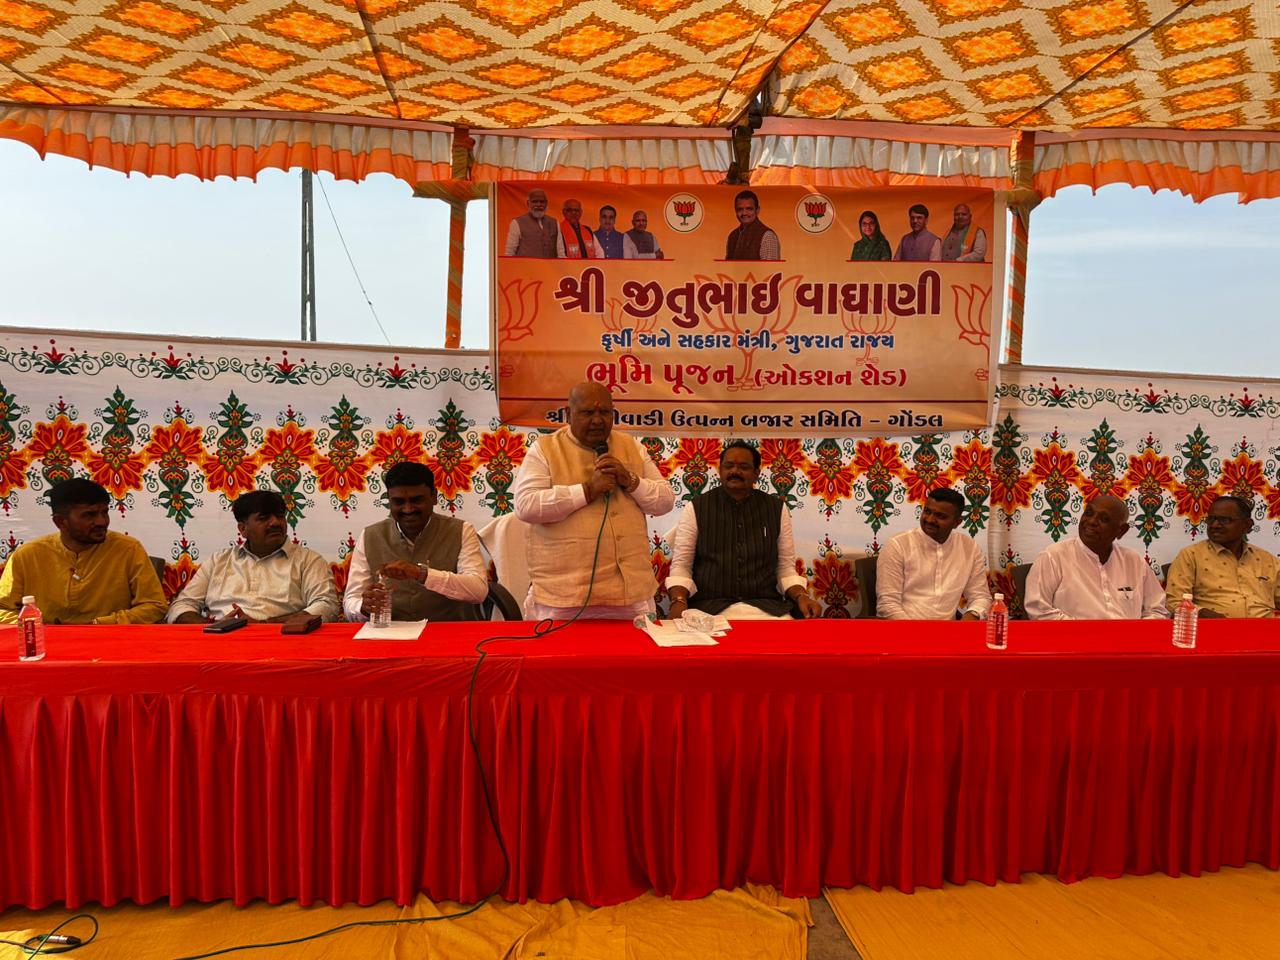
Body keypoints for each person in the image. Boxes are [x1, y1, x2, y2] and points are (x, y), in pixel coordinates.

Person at [514, 381, 675, 619]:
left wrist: (630, 480)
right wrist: (586, 491)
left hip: (630, 595)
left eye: (605, 412)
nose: (598, 420)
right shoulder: (544, 449)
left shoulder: (632, 446)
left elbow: (665, 502)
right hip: (565, 597)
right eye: (588, 412)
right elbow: (526, 506)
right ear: (568, 414)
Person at [665, 440, 819, 620]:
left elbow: (785, 568)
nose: (735, 472)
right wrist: (678, 601)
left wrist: (802, 596)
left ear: (756, 474)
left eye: (743, 467)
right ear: (720, 470)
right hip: (708, 609)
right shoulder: (696, 507)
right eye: (728, 466)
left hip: (767, 609)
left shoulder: (776, 508)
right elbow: (681, 565)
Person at [0, 477, 166, 624]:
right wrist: (39, 626)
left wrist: (100, 623)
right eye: (89, 515)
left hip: (110, 640)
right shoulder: (27, 556)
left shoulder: (128, 549)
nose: (101, 522)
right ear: (60, 522)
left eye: (104, 512)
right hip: (46, 642)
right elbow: (3, 610)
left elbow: (154, 606)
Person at [342, 461, 488, 622]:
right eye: (399, 502)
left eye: (416, 500)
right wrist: (363, 607)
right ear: (389, 501)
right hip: (391, 633)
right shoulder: (370, 536)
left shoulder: (461, 531)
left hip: (448, 630)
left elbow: (479, 591)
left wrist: (422, 574)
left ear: (434, 497)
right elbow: (351, 601)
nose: (408, 509)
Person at [166, 490, 339, 624]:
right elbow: (181, 606)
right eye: (264, 518)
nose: (275, 523)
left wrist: (265, 625)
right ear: (243, 529)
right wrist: (212, 627)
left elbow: (326, 606)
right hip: (220, 641)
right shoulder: (218, 561)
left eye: (280, 516)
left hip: (283, 640)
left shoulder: (309, 560)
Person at [1025, 494, 1168, 620]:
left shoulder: (1135, 562)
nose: (1092, 521)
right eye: (1088, 513)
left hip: (1128, 640)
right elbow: (1038, 611)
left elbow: (1157, 610)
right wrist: (1087, 633)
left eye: (1104, 519)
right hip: (1074, 639)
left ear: (1120, 531)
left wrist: (1136, 634)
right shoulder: (1053, 557)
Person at [876, 487, 991, 620]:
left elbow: (980, 596)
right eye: (927, 511)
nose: (930, 519)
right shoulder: (898, 545)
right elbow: (888, 605)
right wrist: (914, 631)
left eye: (940, 516)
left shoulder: (969, 548)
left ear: (957, 522)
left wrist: (972, 615)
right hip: (904, 627)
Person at [1165, 495, 1280, 618]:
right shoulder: (1191, 555)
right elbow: (1174, 602)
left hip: (1266, 628)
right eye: (1211, 519)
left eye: (1224, 520)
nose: (1215, 525)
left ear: (1247, 525)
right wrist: (1205, 614)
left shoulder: (1267, 560)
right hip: (1214, 628)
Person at [725, 189, 781, 261]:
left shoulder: (767, 236)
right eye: (740, 209)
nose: (744, 213)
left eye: (749, 209)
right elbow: (727, 266)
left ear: (757, 210)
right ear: (735, 211)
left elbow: (770, 267)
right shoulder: (733, 236)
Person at [503, 187, 558, 258]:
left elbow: (560, 253)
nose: (538, 204)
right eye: (535, 201)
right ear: (528, 203)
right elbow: (509, 253)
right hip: (526, 265)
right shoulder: (516, 223)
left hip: (551, 265)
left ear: (546, 203)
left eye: (542, 201)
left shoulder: (554, 223)